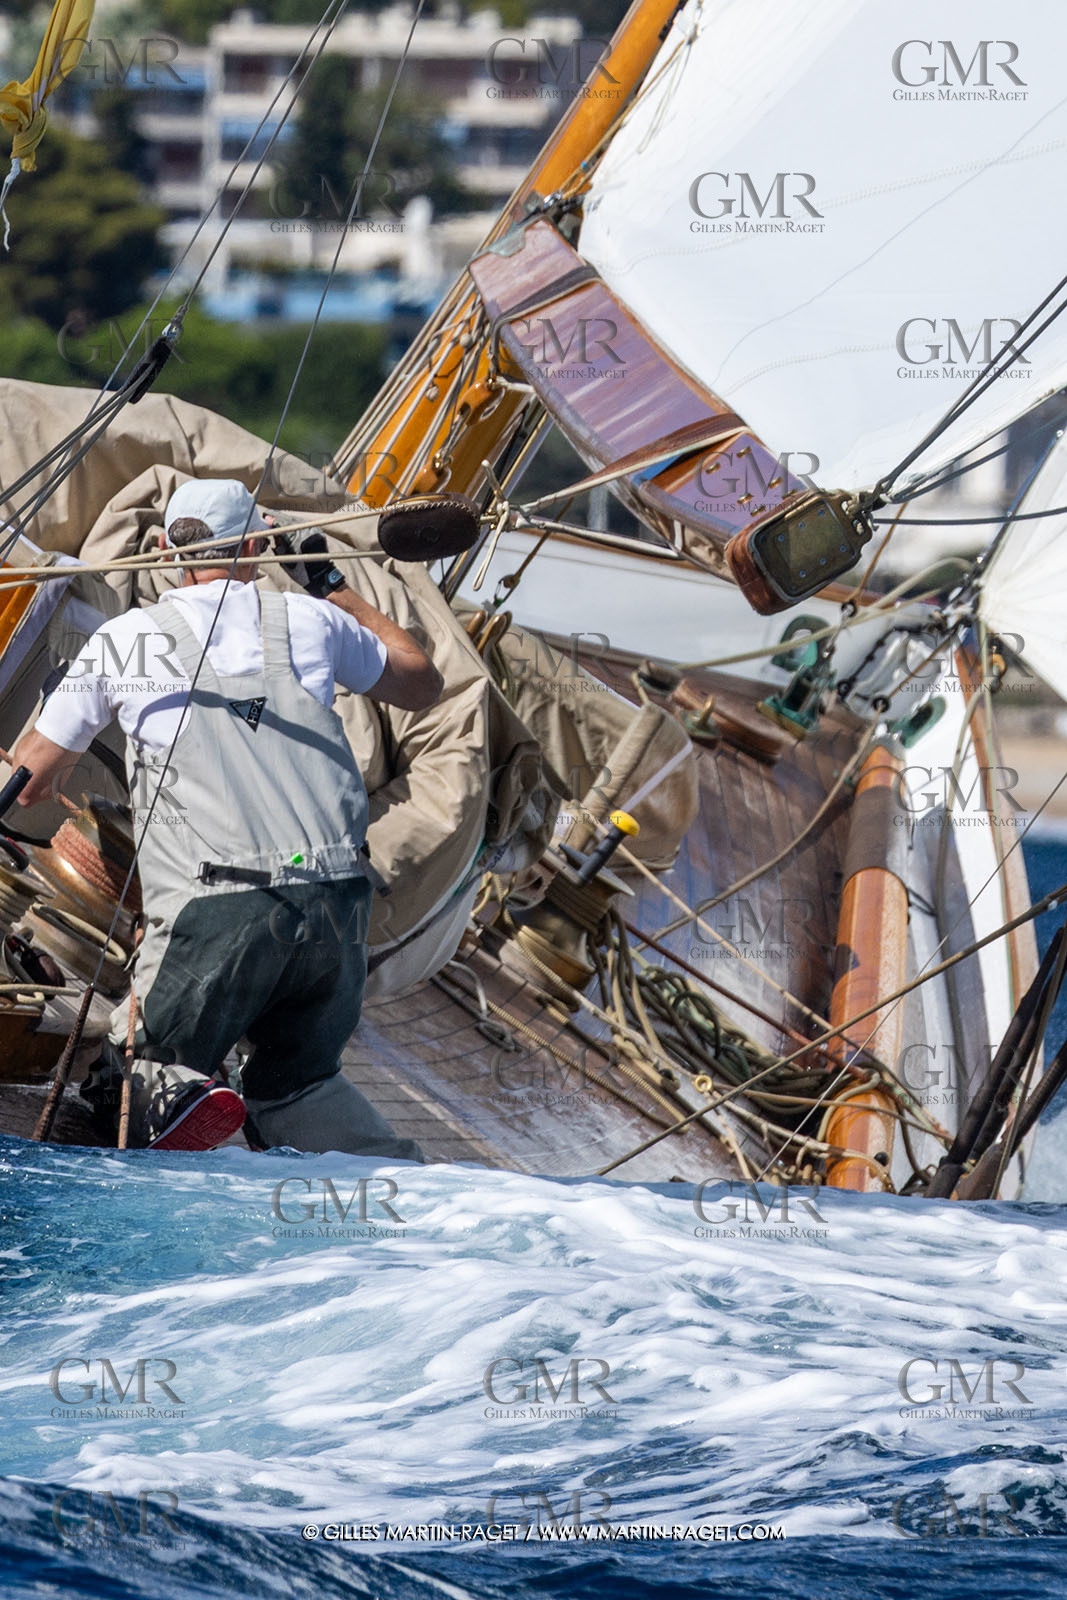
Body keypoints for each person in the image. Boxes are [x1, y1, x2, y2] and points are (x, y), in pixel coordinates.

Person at [12, 478, 442, 1156]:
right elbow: (421, 681)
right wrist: (330, 583)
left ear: (162, 550)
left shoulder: (126, 641)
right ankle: (400, 1184)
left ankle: (173, 1091)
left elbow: (27, 784)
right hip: (336, 906)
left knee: (131, 1072)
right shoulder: (313, 620)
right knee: (302, 1084)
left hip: (218, 911)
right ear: (258, 548)